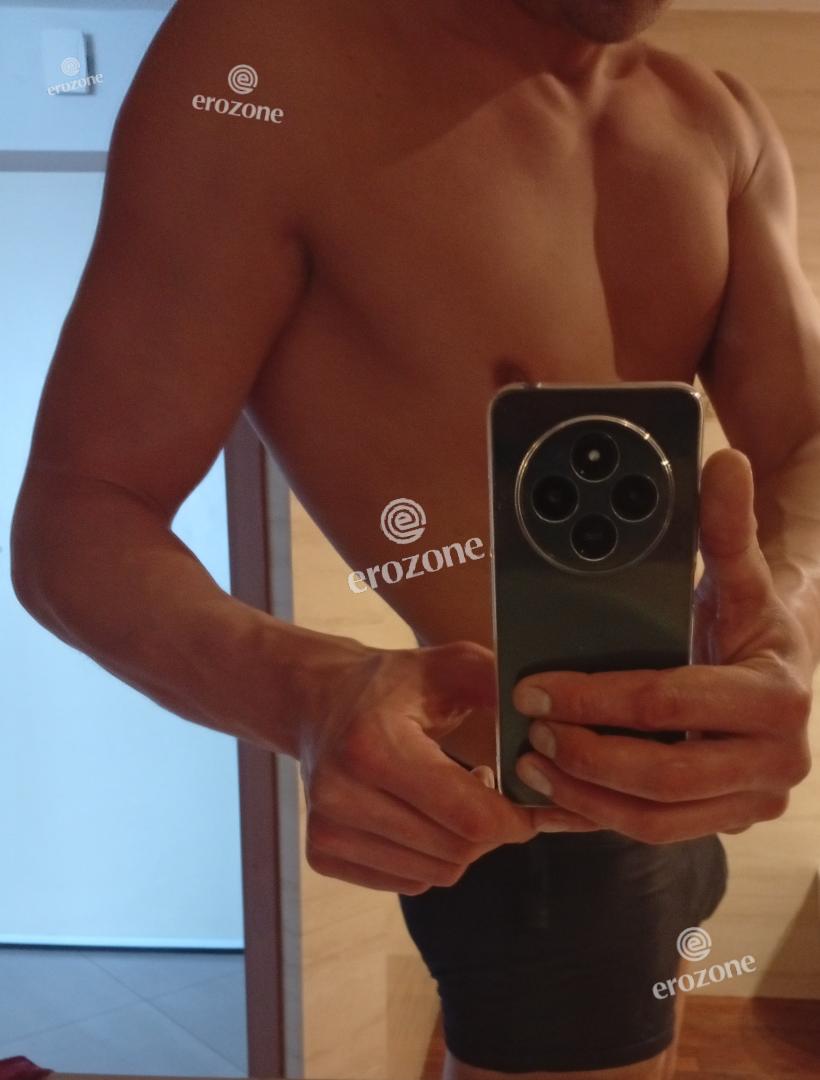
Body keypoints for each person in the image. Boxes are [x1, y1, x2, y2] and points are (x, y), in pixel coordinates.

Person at [10, 0, 820, 1076]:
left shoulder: (719, 121)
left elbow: (805, 438)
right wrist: (312, 695)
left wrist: (785, 620)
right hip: (507, 827)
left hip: (680, 792)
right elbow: (75, 517)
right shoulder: (260, 62)